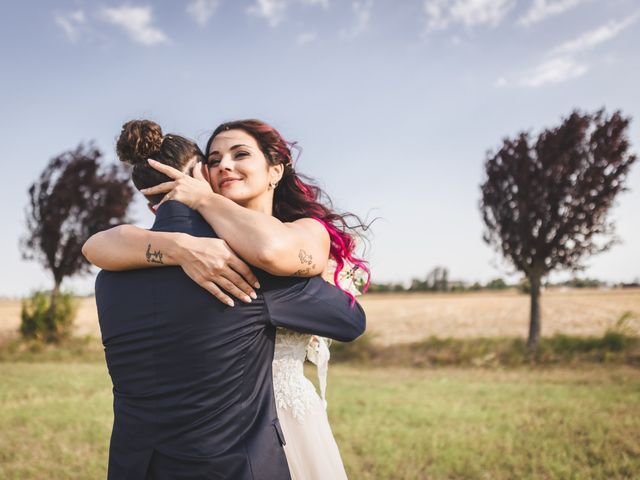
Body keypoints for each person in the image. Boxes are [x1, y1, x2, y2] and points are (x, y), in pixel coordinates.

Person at [84, 119, 371, 479]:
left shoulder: (111, 278)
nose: (224, 167)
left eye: (239, 154)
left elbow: (93, 246)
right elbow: (350, 320)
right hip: (234, 462)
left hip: (138, 466)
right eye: (214, 159)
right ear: (200, 174)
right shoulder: (241, 263)